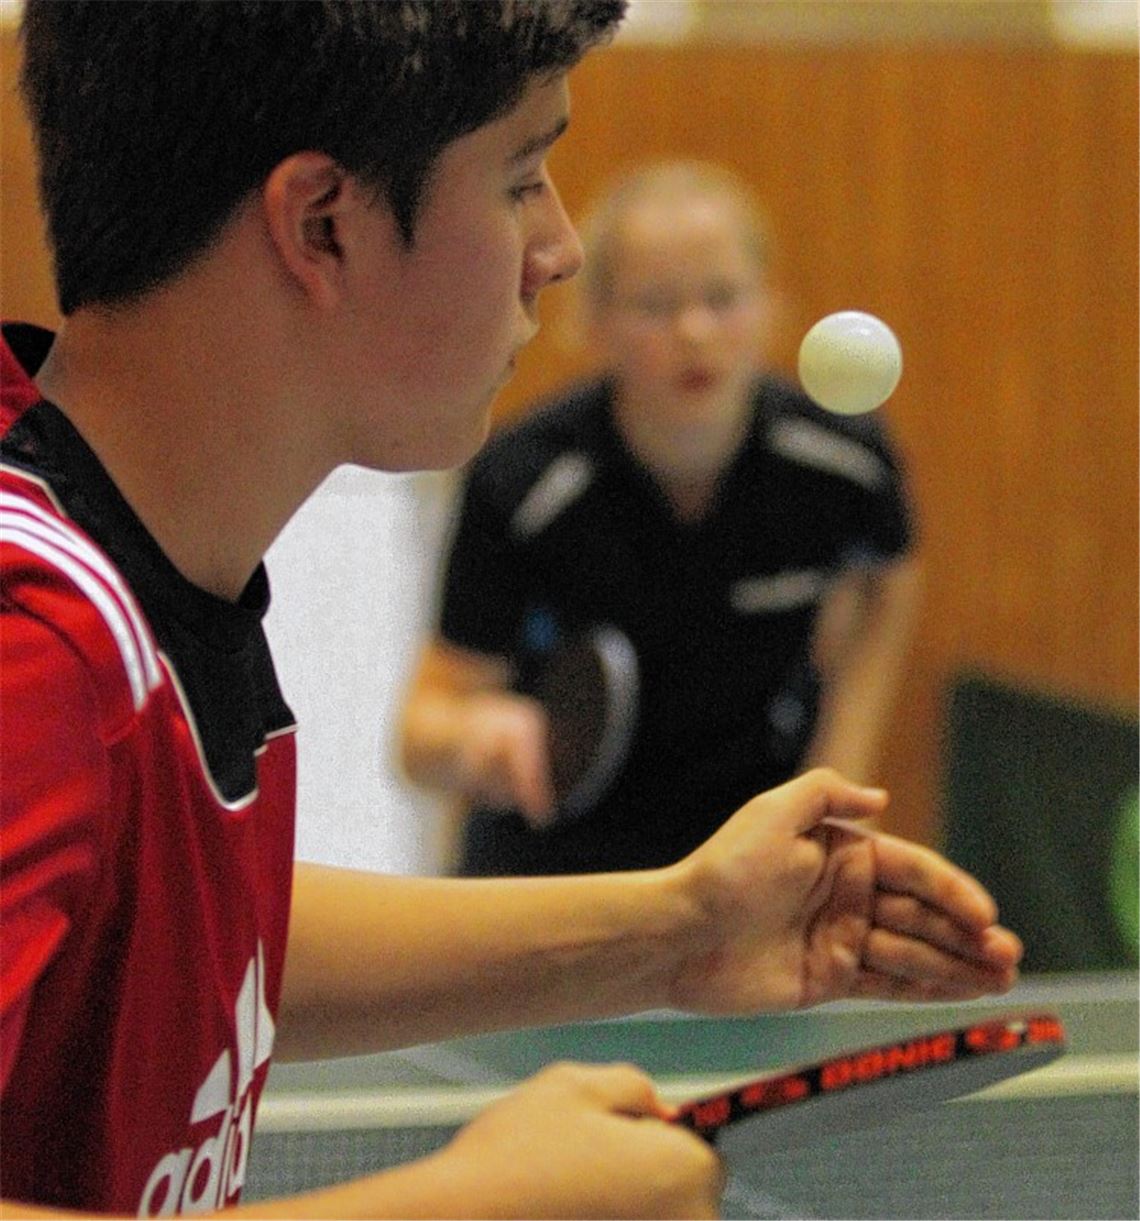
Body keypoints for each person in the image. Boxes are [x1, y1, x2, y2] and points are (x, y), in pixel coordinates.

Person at [0, 5, 1021, 1218]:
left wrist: (674, 931)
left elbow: (176, 944)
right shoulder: (31, 654)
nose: (560, 248)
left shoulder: (124, 584)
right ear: (323, 224)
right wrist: (476, 1207)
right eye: (525, 178)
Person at [401, 160, 923, 876]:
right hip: (553, 882)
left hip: (744, 868)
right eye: (654, 304)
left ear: (771, 304)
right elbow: (418, 735)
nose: (695, 331)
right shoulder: (524, 481)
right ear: (595, 320)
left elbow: (890, 579)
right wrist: (472, 738)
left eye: (723, 297)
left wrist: (841, 767)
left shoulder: (843, 463)